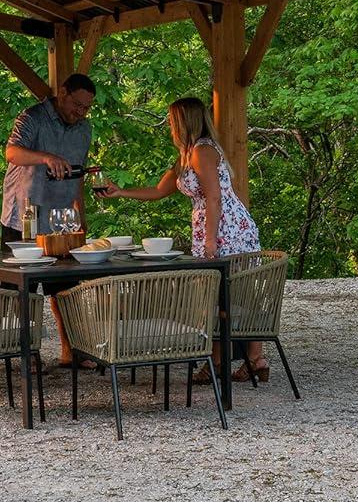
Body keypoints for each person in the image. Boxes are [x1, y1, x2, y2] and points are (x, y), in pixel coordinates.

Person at [95, 96, 268, 380]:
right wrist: (120, 192)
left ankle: (240, 360)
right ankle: (237, 360)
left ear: (183, 122)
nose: (169, 127)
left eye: (172, 121)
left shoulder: (202, 151)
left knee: (228, 293)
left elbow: (214, 196)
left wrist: (211, 240)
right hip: (210, 226)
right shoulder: (186, 155)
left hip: (227, 229)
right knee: (217, 295)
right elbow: (159, 191)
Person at [2, 74, 97, 366]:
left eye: (86, 108)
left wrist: (81, 214)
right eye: (77, 105)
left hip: (63, 221)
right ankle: (27, 353)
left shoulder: (84, 130)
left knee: (66, 289)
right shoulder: (32, 117)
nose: (80, 113)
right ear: (63, 93)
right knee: (23, 292)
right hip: (25, 216)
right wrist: (45, 157)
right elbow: (11, 152)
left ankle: (72, 351)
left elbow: (78, 175)